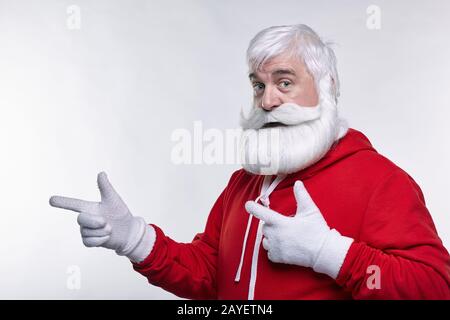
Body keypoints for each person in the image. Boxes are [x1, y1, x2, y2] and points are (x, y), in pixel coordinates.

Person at [50, 24, 450, 299]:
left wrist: (329, 252)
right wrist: (134, 239)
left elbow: (434, 287)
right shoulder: (245, 182)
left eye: (285, 82)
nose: (267, 100)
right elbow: (208, 276)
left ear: (327, 88)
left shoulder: (380, 180)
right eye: (259, 85)